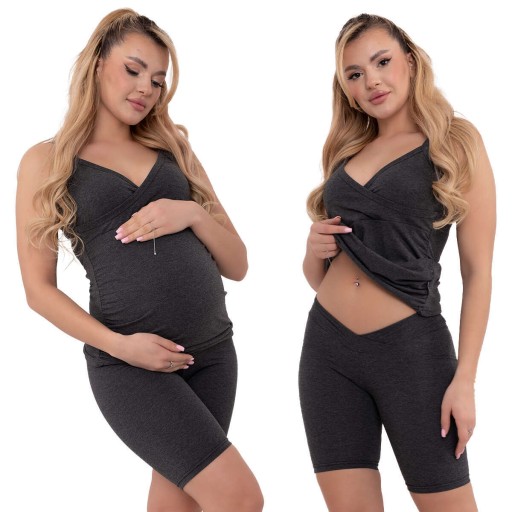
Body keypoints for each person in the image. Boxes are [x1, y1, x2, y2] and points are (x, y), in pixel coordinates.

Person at [16, 8, 263, 512]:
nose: (145, 88)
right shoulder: (47, 161)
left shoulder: (174, 148)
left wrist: (190, 212)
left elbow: (237, 263)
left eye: (157, 80)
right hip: (130, 365)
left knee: (180, 505)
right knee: (239, 497)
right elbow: (38, 291)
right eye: (133, 69)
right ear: (98, 63)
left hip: (213, 354)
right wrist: (121, 347)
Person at [299, 13, 495, 512]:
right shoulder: (348, 153)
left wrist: (465, 379)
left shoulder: (456, 142)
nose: (372, 81)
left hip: (412, 352)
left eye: (382, 62)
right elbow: (320, 276)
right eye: (355, 74)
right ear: (346, 89)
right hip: (327, 351)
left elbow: (478, 272)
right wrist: (312, 249)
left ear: (409, 60)